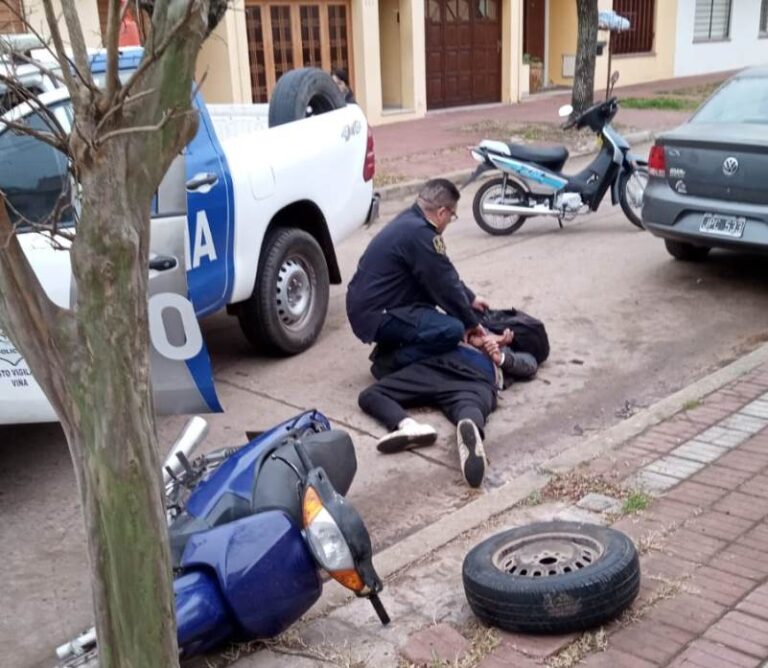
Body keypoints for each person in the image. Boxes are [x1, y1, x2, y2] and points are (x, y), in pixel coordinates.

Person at [347, 178, 495, 378]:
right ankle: (389, 364)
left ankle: (390, 348)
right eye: (452, 216)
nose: (449, 222)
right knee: (451, 329)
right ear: (442, 213)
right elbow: (444, 285)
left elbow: (441, 272)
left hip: (371, 305)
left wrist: (471, 298)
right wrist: (471, 323)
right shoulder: (421, 234)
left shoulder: (409, 221)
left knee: (431, 308)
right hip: (376, 314)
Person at [358, 343, 538, 487]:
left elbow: (530, 364)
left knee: (470, 406)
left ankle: (468, 430)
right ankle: (411, 427)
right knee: (370, 395)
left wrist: (500, 357)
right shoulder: (457, 330)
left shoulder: (503, 348)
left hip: (474, 377)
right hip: (437, 365)